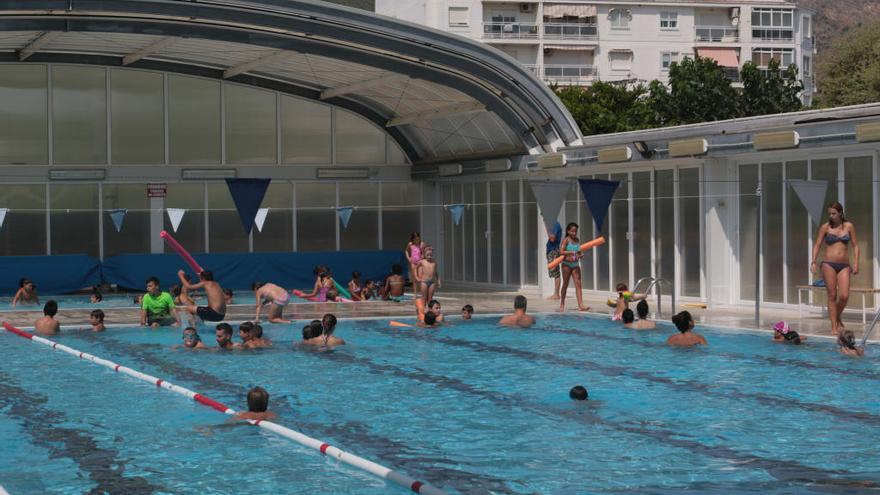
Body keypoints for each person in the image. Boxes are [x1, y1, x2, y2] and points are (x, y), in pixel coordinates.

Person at [811, 201, 859, 335]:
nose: (831, 216)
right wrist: (813, 261)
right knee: (832, 295)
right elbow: (817, 245)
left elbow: (855, 245)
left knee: (844, 295)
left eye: (834, 213)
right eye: (829, 213)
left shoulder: (849, 226)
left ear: (840, 213)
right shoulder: (825, 227)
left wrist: (856, 263)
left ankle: (837, 317)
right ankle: (833, 326)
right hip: (828, 264)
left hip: (844, 265)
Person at [558, 223, 590, 312]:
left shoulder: (577, 240)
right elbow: (561, 251)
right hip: (566, 264)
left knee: (578, 285)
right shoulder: (566, 240)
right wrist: (571, 252)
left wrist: (581, 254)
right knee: (565, 284)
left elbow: (579, 252)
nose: (574, 233)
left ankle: (581, 305)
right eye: (572, 231)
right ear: (568, 231)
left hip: (575, 264)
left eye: (575, 231)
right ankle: (562, 303)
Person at [546, 222, 563, 300]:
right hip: (552, 250)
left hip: (553, 251)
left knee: (556, 273)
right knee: (555, 273)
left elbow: (552, 238)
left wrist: (547, 228)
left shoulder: (554, 225)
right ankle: (556, 294)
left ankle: (556, 294)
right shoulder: (553, 224)